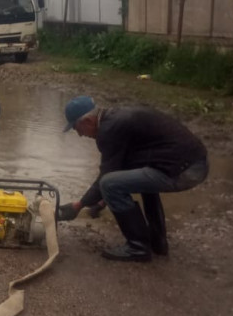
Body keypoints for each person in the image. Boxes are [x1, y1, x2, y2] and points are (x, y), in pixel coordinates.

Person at [57, 96, 208, 263]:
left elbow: (106, 178)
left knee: (108, 183)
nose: (80, 135)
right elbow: (124, 165)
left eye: (77, 128)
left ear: (87, 121)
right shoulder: (116, 120)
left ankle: (138, 247)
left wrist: (79, 205)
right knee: (138, 179)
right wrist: (101, 203)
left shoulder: (108, 130)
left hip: (185, 171)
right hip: (192, 163)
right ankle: (158, 242)